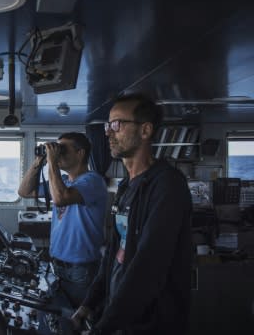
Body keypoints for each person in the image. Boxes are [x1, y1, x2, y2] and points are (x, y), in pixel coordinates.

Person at [71, 93, 192, 334]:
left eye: (117, 124)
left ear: (145, 130)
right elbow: (113, 254)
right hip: (121, 317)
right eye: (108, 125)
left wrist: (103, 328)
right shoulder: (127, 186)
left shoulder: (167, 185)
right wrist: (89, 303)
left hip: (151, 323)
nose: (108, 132)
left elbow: (147, 266)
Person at [18, 132, 108, 308]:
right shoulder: (63, 181)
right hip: (58, 266)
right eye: (57, 149)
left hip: (81, 270)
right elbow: (24, 192)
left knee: (78, 322)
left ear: (80, 153)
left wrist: (52, 162)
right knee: (61, 319)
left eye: (63, 149)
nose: (58, 154)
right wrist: (39, 161)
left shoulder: (93, 181)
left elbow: (60, 198)